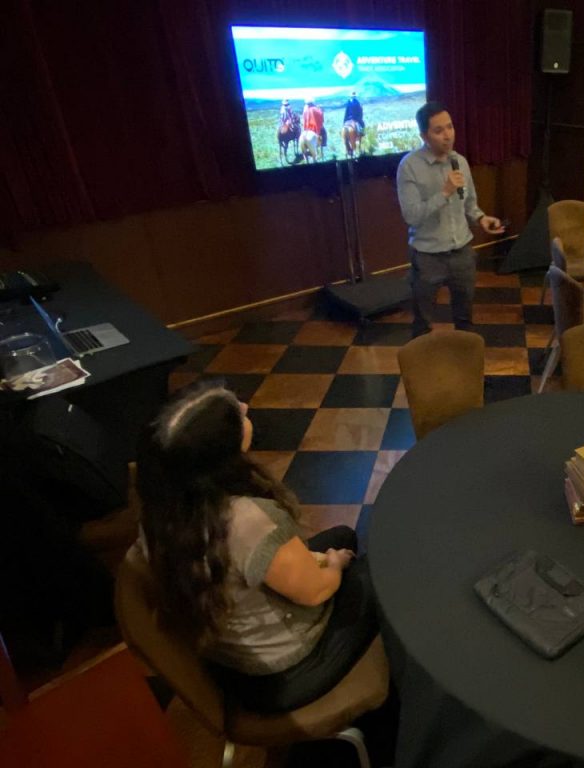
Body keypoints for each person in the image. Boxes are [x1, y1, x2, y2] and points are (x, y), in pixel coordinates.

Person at [133, 383, 377, 713]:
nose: (245, 408)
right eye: (236, 413)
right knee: (379, 568)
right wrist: (334, 565)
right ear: (219, 457)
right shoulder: (248, 521)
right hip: (285, 670)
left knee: (343, 535)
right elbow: (316, 592)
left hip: (227, 657)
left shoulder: (158, 513)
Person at [397, 101, 506, 336]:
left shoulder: (460, 162)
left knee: (465, 319)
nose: (448, 135)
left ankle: (463, 356)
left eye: (450, 127)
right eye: (439, 130)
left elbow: (469, 203)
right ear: (424, 136)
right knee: (423, 323)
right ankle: (422, 358)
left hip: (462, 253)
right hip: (427, 256)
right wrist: (444, 193)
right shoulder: (409, 167)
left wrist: (481, 218)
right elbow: (412, 216)